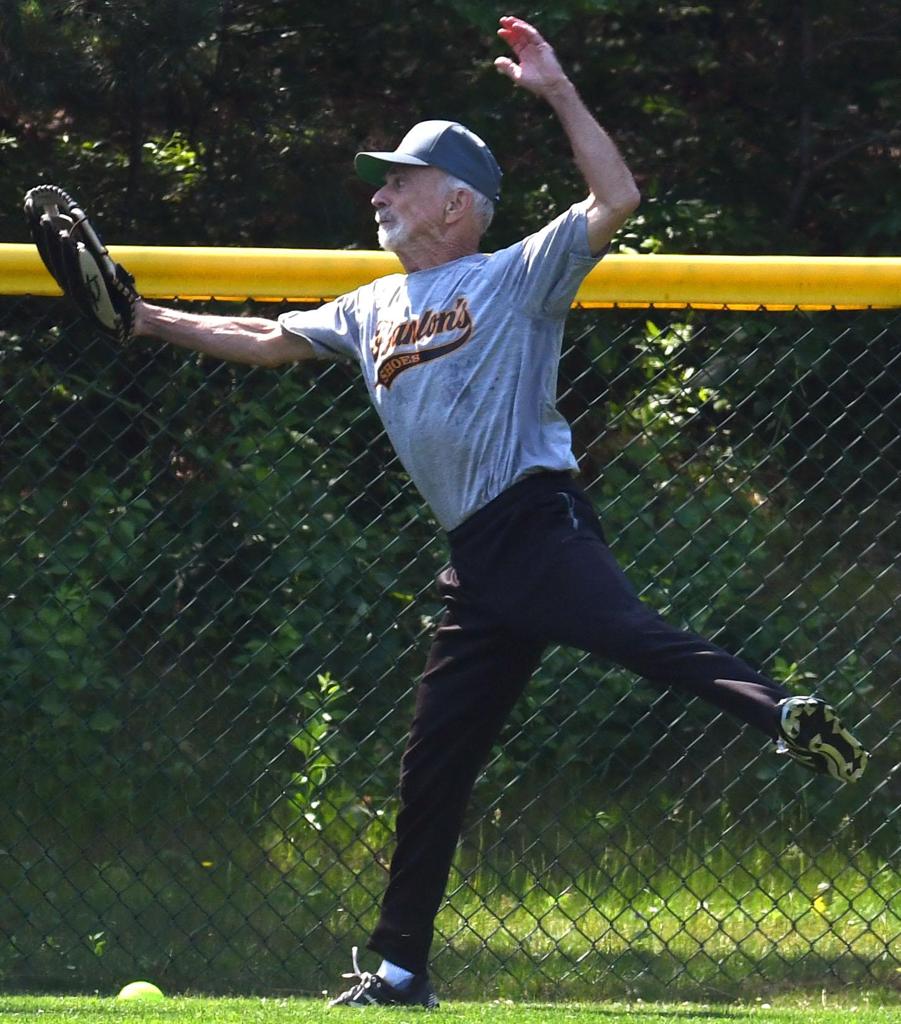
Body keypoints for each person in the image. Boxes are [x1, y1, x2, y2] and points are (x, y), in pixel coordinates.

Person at [133, 16, 868, 1010]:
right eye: (382, 181)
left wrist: (555, 89)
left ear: (456, 204)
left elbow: (617, 199)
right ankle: (399, 971)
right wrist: (144, 317)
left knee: (634, 636)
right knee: (433, 763)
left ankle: (777, 712)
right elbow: (263, 339)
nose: (379, 193)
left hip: (535, 522)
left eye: (400, 179)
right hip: (478, 563)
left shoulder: (516, 275)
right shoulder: (368, 306)